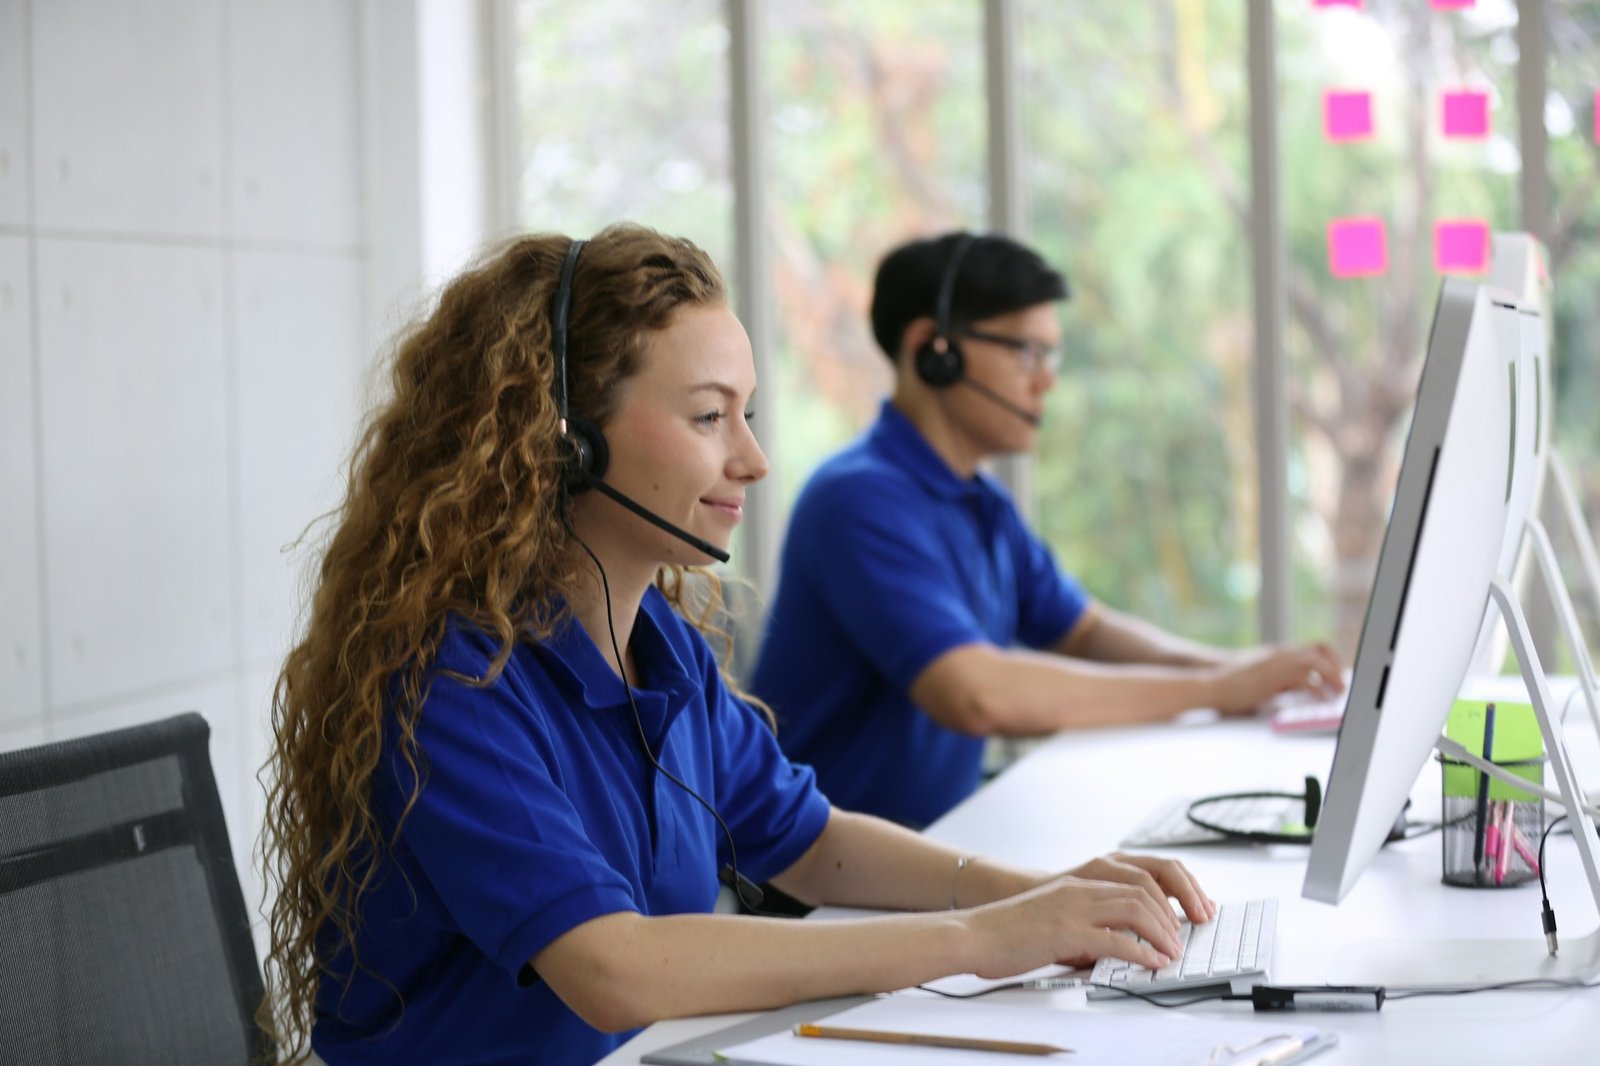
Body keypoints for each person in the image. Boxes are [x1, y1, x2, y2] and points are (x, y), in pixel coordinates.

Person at [256, 225, 1222, 1066]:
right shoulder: (454, 680)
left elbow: (811, 843)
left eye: (747, 414)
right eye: (709, 415)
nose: (753, 459)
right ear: (564, 441)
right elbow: (614, 969)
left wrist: (1051, 896)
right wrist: (977, 937)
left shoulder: (661, 647)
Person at [751, 231, 1345, 829]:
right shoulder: (857, 499)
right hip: (819, 897)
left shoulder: (979, 502)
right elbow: (977, 694)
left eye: (1050, 357)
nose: (1046, 381)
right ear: (933, 350)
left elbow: (1085, 632)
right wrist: (1217, 689)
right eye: (1026, 353)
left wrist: (1237, 672)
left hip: (927, 853)